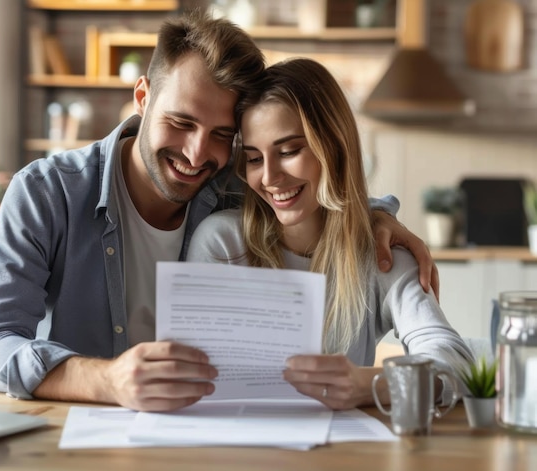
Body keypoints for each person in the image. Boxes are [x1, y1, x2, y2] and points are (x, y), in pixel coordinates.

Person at [0, 13, 437, 412]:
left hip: (206, 433)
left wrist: (373, 216)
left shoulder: (234, 189)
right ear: (143, 98)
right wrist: (107, 380)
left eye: (220, 135)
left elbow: (308, 190)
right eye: (181, 122)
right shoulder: (48, 194)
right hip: (80, 433)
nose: (196, 154)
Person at [186, 57, 474, 409]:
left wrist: (374, 386)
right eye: (254, 158)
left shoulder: (382, 253)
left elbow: (456, 362)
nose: (270, 178)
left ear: (334, 147)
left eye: (289, 150)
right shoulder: (221, 243)